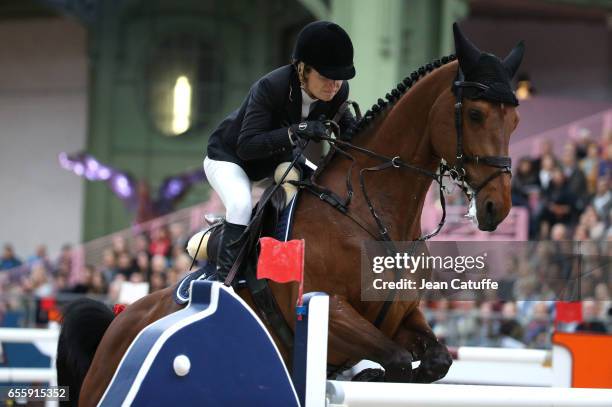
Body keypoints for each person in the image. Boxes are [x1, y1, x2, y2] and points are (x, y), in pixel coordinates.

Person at [203, 21, 357, 281]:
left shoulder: (339, 91)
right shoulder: (271, 87)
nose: (334, 85)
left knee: (316, 188)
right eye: (326, 77)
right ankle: (223, 283)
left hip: (277, 160)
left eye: (339, 78)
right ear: (302, 69)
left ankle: (280, 270)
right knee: (240, 205)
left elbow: (352, 136)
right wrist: (297, 130)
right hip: (230, 158)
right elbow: (247, 146)